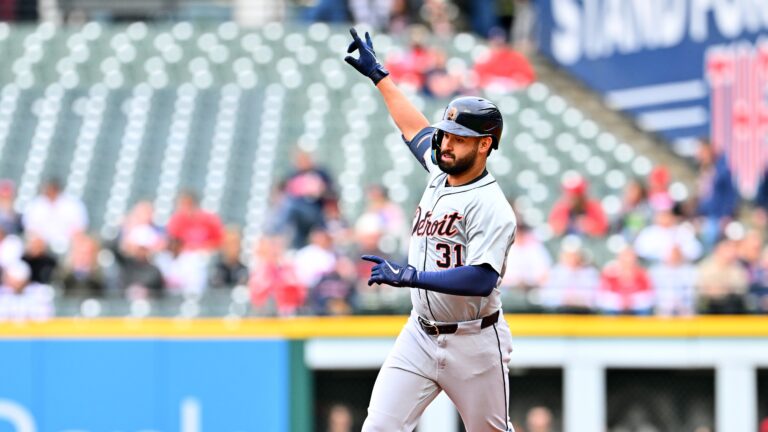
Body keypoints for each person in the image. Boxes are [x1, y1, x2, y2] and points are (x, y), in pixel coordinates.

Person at [345, 28, 517, 431]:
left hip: (475, 342)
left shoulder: (493, 206)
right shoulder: (440, 172)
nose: (446, 143)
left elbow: (481, 278)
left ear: (485, 145)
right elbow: (413, 128)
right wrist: (380, 77)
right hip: (418, 335)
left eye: (460, 138)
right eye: (448, 134)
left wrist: (412, 276)